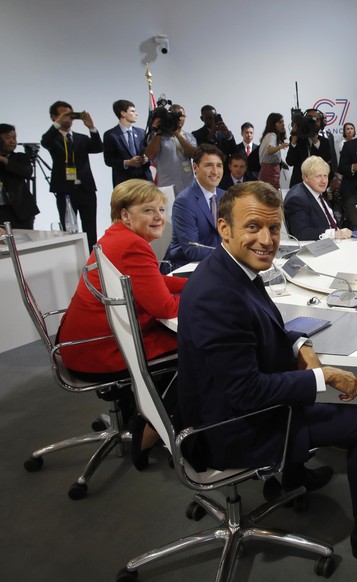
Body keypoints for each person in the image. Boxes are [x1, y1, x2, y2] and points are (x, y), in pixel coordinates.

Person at [175, 181, 357, 568]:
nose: (267, 240)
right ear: (224, 228)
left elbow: (266, 327)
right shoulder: (219, 294)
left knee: (301, 383)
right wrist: (324, 376)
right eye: (253, 227)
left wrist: (300, 345)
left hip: (224, 408)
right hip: (232, 429)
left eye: (274, 228)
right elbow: (246, 393)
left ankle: (291, 479)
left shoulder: (228, 269)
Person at [56, 179, 185, 469]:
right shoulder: (133, 246)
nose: (158, 217)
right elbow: (164, 306)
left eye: (161, 209)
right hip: (102, 352)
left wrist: (191, 283)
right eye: (148, 210)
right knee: (198, 343)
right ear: (125, 215)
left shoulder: (115, 237)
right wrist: (208, 295)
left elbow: (151, 280)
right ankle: (153, 423)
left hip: (79, 345)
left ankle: (141, 408)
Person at [40, 100, 103, 248]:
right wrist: (57, 124)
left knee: (90, 227)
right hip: (65, 191)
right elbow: (45, 141)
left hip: (86, 189)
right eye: (64, 115)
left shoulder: (81, 138)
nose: (68, 119)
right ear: (53, 117)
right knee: (68, 229)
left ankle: (93, 258)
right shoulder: (53, 138)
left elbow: (98, 147)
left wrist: (91, 127)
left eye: (70, 115)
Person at [164, 145, 225, 270]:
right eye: (209, 165)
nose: (215, 171)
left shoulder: (225, 195)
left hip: (217, 262)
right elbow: (192, 250)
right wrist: (232, 254)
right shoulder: (184, 201)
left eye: (219, 165)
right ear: (195, 168)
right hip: (187, 266)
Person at [285, 155, 352, 240]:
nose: (324, 181)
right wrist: (333, 234)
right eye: (318, 176)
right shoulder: (297, 199)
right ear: (306, 177)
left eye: (325, 176)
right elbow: (301, 232)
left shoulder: (317, 191)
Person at [144, 103, 198, 196]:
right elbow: (150, 155)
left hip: (189, 186)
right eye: (177, 116)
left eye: (182, 116)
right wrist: (160, 131)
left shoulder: (189, 137)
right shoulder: (157, 137)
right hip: (167, 187)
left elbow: (195, 155)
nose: (180, 119)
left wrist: (177, 133)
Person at [103, 100, 152, 187]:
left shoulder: (141, 132)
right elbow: (108, 160)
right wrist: (127, 162)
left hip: (144, 180)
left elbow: (150, 154)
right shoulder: (111, 135)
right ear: (123, 113)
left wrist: (146, 159)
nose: (136, 114)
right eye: (132, 111)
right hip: (124, 182)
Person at [0, 123, 39, 229]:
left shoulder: (20, 157)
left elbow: (27, 172)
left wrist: (4, 160)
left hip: (21, 212)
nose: (12, 141)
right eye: (7, 138)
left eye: (14, 138)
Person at [286, 109, 335, 187]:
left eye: (316, 120)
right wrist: (294, 142)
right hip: (298, 184)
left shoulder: (324, 142)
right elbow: (290, 161)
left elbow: (326, 159)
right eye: (310, 119)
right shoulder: (297, 140)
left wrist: (315, 141)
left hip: (318, 184)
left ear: (321, 123)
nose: (313, 123)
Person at [257, 113, 288, 189]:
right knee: (272, 194)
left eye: (283, 122)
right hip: (270, 170)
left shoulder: (268, 135)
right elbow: (269, 150)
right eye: (280, 122)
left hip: (268, 169)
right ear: (273, 124)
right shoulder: (272, 135)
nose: (283, 124)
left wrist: (280, 161)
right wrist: (281, 146)